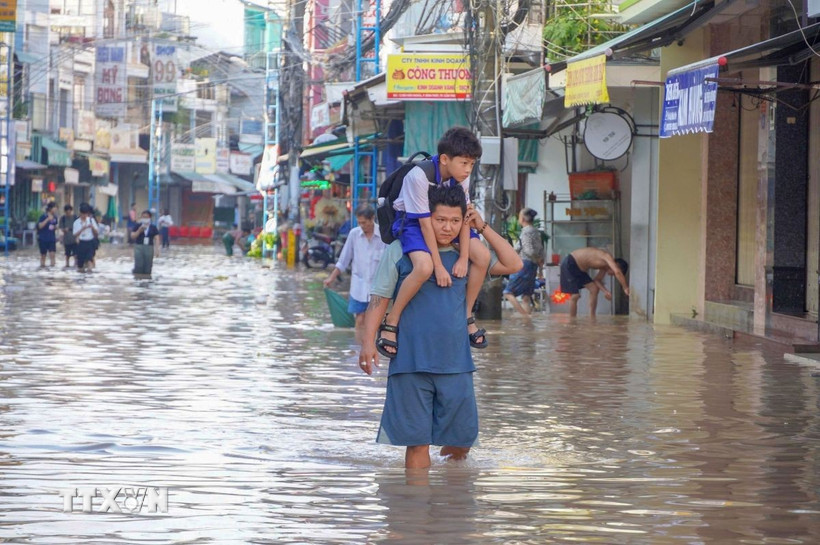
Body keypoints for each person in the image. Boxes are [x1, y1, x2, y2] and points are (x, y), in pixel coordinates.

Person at [359, 184, 522, 469]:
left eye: (455, 221)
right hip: (410, 363)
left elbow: (513, 263)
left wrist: (481, 227)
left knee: (460, 444)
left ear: (463, 222)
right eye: (440, 220)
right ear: (426, 218)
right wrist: (367, 343)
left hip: (456, 364)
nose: (447, 228)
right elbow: (379, 298)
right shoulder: (402, 251)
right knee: (417, 443)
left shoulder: (470, 255)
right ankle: (417, 508)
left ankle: (451, 507)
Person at [379, 127, 491, 358]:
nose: (468, 170)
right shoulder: (418, 177)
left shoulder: (462, 178)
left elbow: (466, 216)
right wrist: (439, 266)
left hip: (449, 221)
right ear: (444, 159)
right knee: (424, 267)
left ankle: (467, 316)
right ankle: (392, 320)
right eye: (464, 163)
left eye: (472, 164)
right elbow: (424, 224)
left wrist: (463, 257)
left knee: (483, 257)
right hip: (412, 223)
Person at [323, 205, 386, 340]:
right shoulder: (354, 235)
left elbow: (389, 264)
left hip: (378, 289)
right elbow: (343, 260)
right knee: (360, 319)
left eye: (364, 222)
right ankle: (358, 353)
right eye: (359, 223)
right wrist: (331, 278)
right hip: (358, 287)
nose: (362, 226)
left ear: (372, 219)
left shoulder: (383, 235)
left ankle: (372, 350)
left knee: (375, 321)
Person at [559, 247, 630, 317]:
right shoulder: (607, 257)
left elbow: (597, 280)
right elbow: (617, 272)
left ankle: (592, 317)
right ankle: (572, 322)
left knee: (594, 289)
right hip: (570, 263)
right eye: (613, 273)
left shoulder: (604, 267)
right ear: (616, 265)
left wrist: (605, 292)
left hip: (580, 270)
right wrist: (625, 288)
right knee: (575, 296)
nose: (612, 275)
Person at [503, 208, 546, 317]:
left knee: (508, 293)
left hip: (523, 264)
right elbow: (541, 250)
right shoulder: (536, 231)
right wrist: (539, 265)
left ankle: (525, 317)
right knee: (526, 297)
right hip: (533, 266)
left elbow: (528, 250)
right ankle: (527, 326)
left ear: (522, 218)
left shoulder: (526, 232)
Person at [130, 210, 159, 276]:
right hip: (139, 247)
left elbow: (157, 238)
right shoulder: (137, 226)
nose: (145, 219)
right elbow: (132, 236)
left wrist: (157, 250)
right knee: (139, 265)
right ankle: (137, 278)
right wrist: (139, 231)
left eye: (146, 217)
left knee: (148, 266)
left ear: (150, 218)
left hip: (149, 248)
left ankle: (147, 279)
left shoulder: (153, 227)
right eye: (143, 217)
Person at [72, 203, 98, 272]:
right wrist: (82, 229)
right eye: (82, 214)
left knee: (90, 260)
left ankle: (90, 276)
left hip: (90, 243)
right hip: (81, 243)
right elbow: (75, 234)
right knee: (80, 265)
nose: (84, 216)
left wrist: (92, 227)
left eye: (85, 214)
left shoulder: (91, 220)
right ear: (80, 213)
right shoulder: (76, 222)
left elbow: (96, 233)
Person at [36, 202, 58, 268]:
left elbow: (55, 226)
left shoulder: (55, 217)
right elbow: (39, 226)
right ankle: (42, 267)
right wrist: (48, 219)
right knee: (43, 255)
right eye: (54, 207)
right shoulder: (43, 216)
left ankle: (52, 267)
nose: (56, 209)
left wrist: (56, 227)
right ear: (50, 208)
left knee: (52, 254)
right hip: (43, 238)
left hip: (52, 238)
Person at [59, 204, 77, 268]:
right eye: (67, 212)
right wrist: (64, 229)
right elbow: (60, 227)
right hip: (66, 240)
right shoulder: (63, 218)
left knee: (75, 253)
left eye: (69, 212)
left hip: (74, 239)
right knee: (67, 254)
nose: (68, 214)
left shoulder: (75, 217)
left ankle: (75, 264)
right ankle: (67, 264)